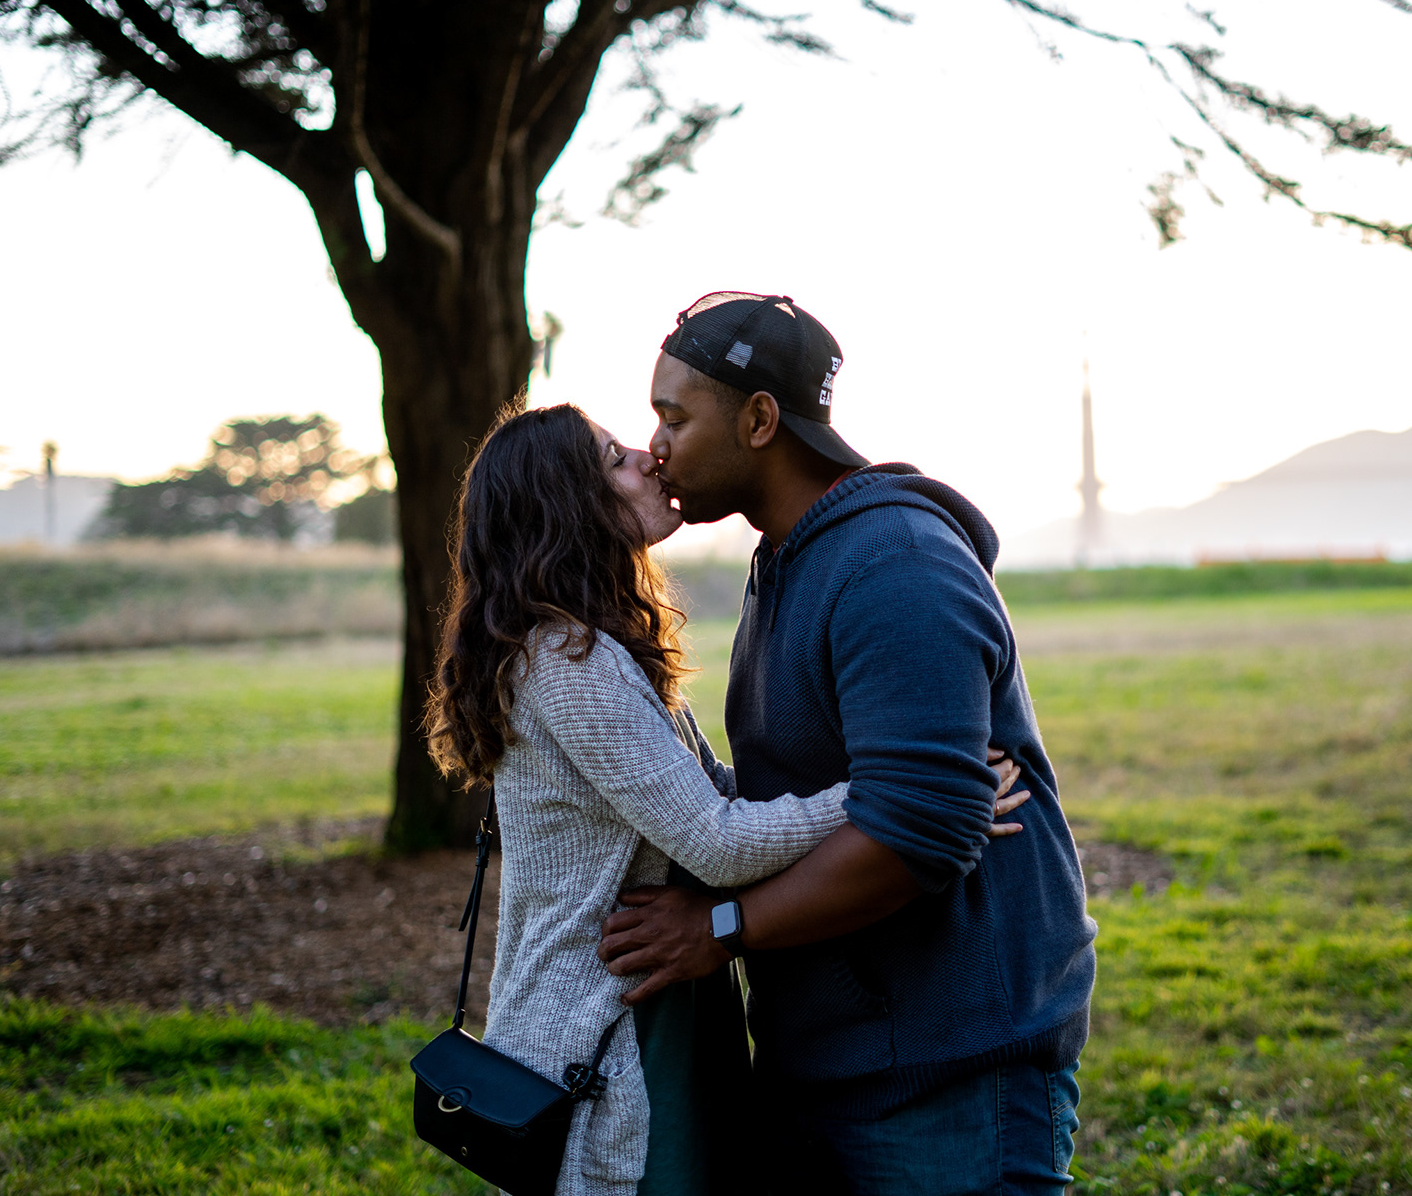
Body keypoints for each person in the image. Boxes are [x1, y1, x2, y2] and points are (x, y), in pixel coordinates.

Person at [423, 401, 1028, 1196]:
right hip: (606, 1028)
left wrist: (908, 780)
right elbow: (718, 840)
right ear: (564, 505)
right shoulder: (567, 661)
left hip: (652, 996)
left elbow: (708, 795)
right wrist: (899, 794)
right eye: (613, 458)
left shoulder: (587, 646)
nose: (647, 457)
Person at [597, 292, 1099, 1196]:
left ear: (758, 421)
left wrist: (719, 929)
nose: (655, 446)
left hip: (948, 1078)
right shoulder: (788, 560)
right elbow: (793, 793)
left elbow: (919, 830)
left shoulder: (895, 561)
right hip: (829, 1061)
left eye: (674, 417)